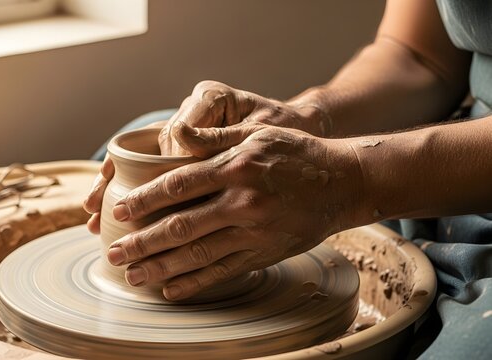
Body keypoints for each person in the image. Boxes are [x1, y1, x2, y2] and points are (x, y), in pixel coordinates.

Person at [83, 0, 491, 358]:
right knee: (155, 139)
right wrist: (305, 119)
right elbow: (420, 56)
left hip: (462, 183)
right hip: (431, 158)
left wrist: (349, 180)